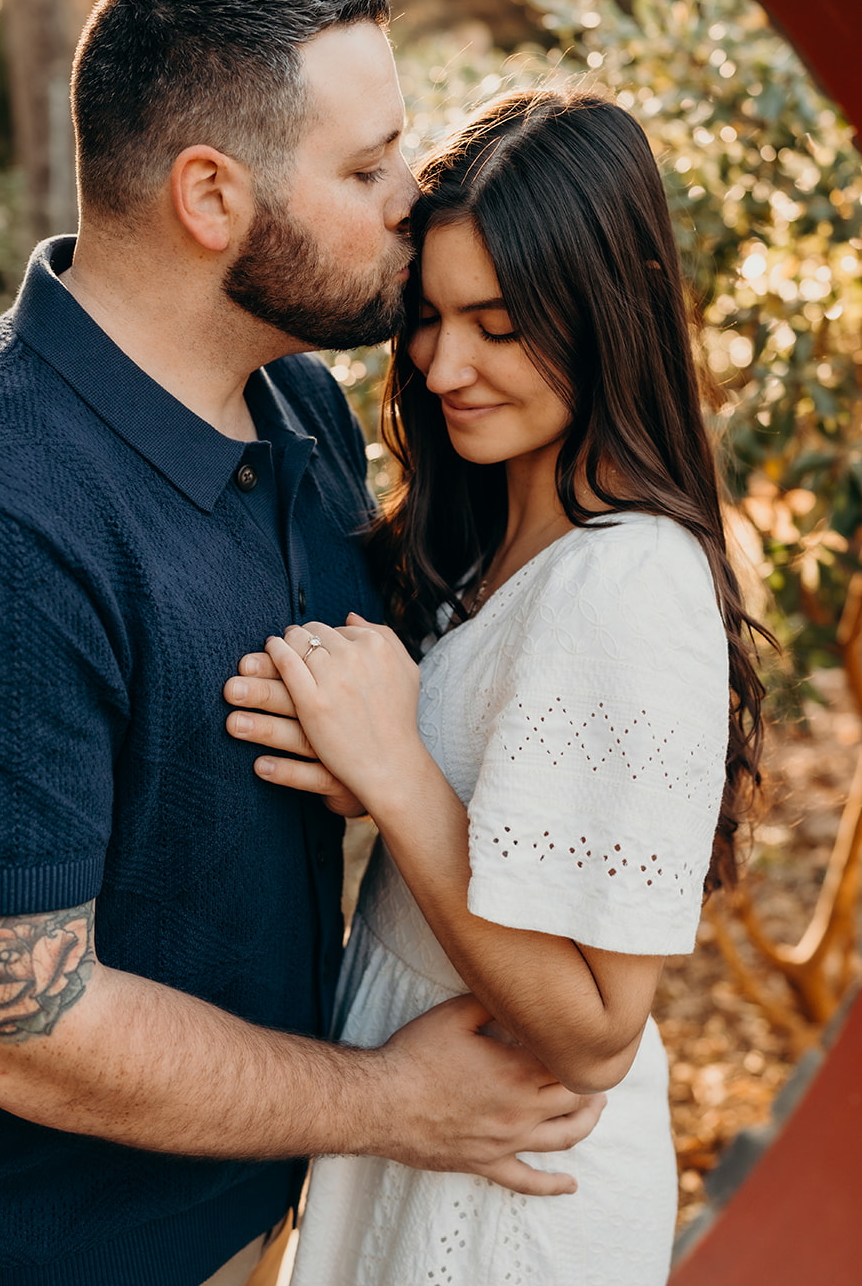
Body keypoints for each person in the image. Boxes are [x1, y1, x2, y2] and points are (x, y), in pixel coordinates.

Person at [0, 0, 604, 1286]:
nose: (413, 200)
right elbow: (13, 1025)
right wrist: (390, 1105)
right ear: (211, 196)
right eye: (364, 171)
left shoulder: (294, 405)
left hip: (251, 1223)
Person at [226, 87, 768, 1285]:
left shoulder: (628, 582)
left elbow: (592, 1031)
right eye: (428, 315)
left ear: (606, 313)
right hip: (425, 1133)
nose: (440, 362)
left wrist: (394, 769)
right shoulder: (495, 539)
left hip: (511, 1197)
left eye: (499, 322)